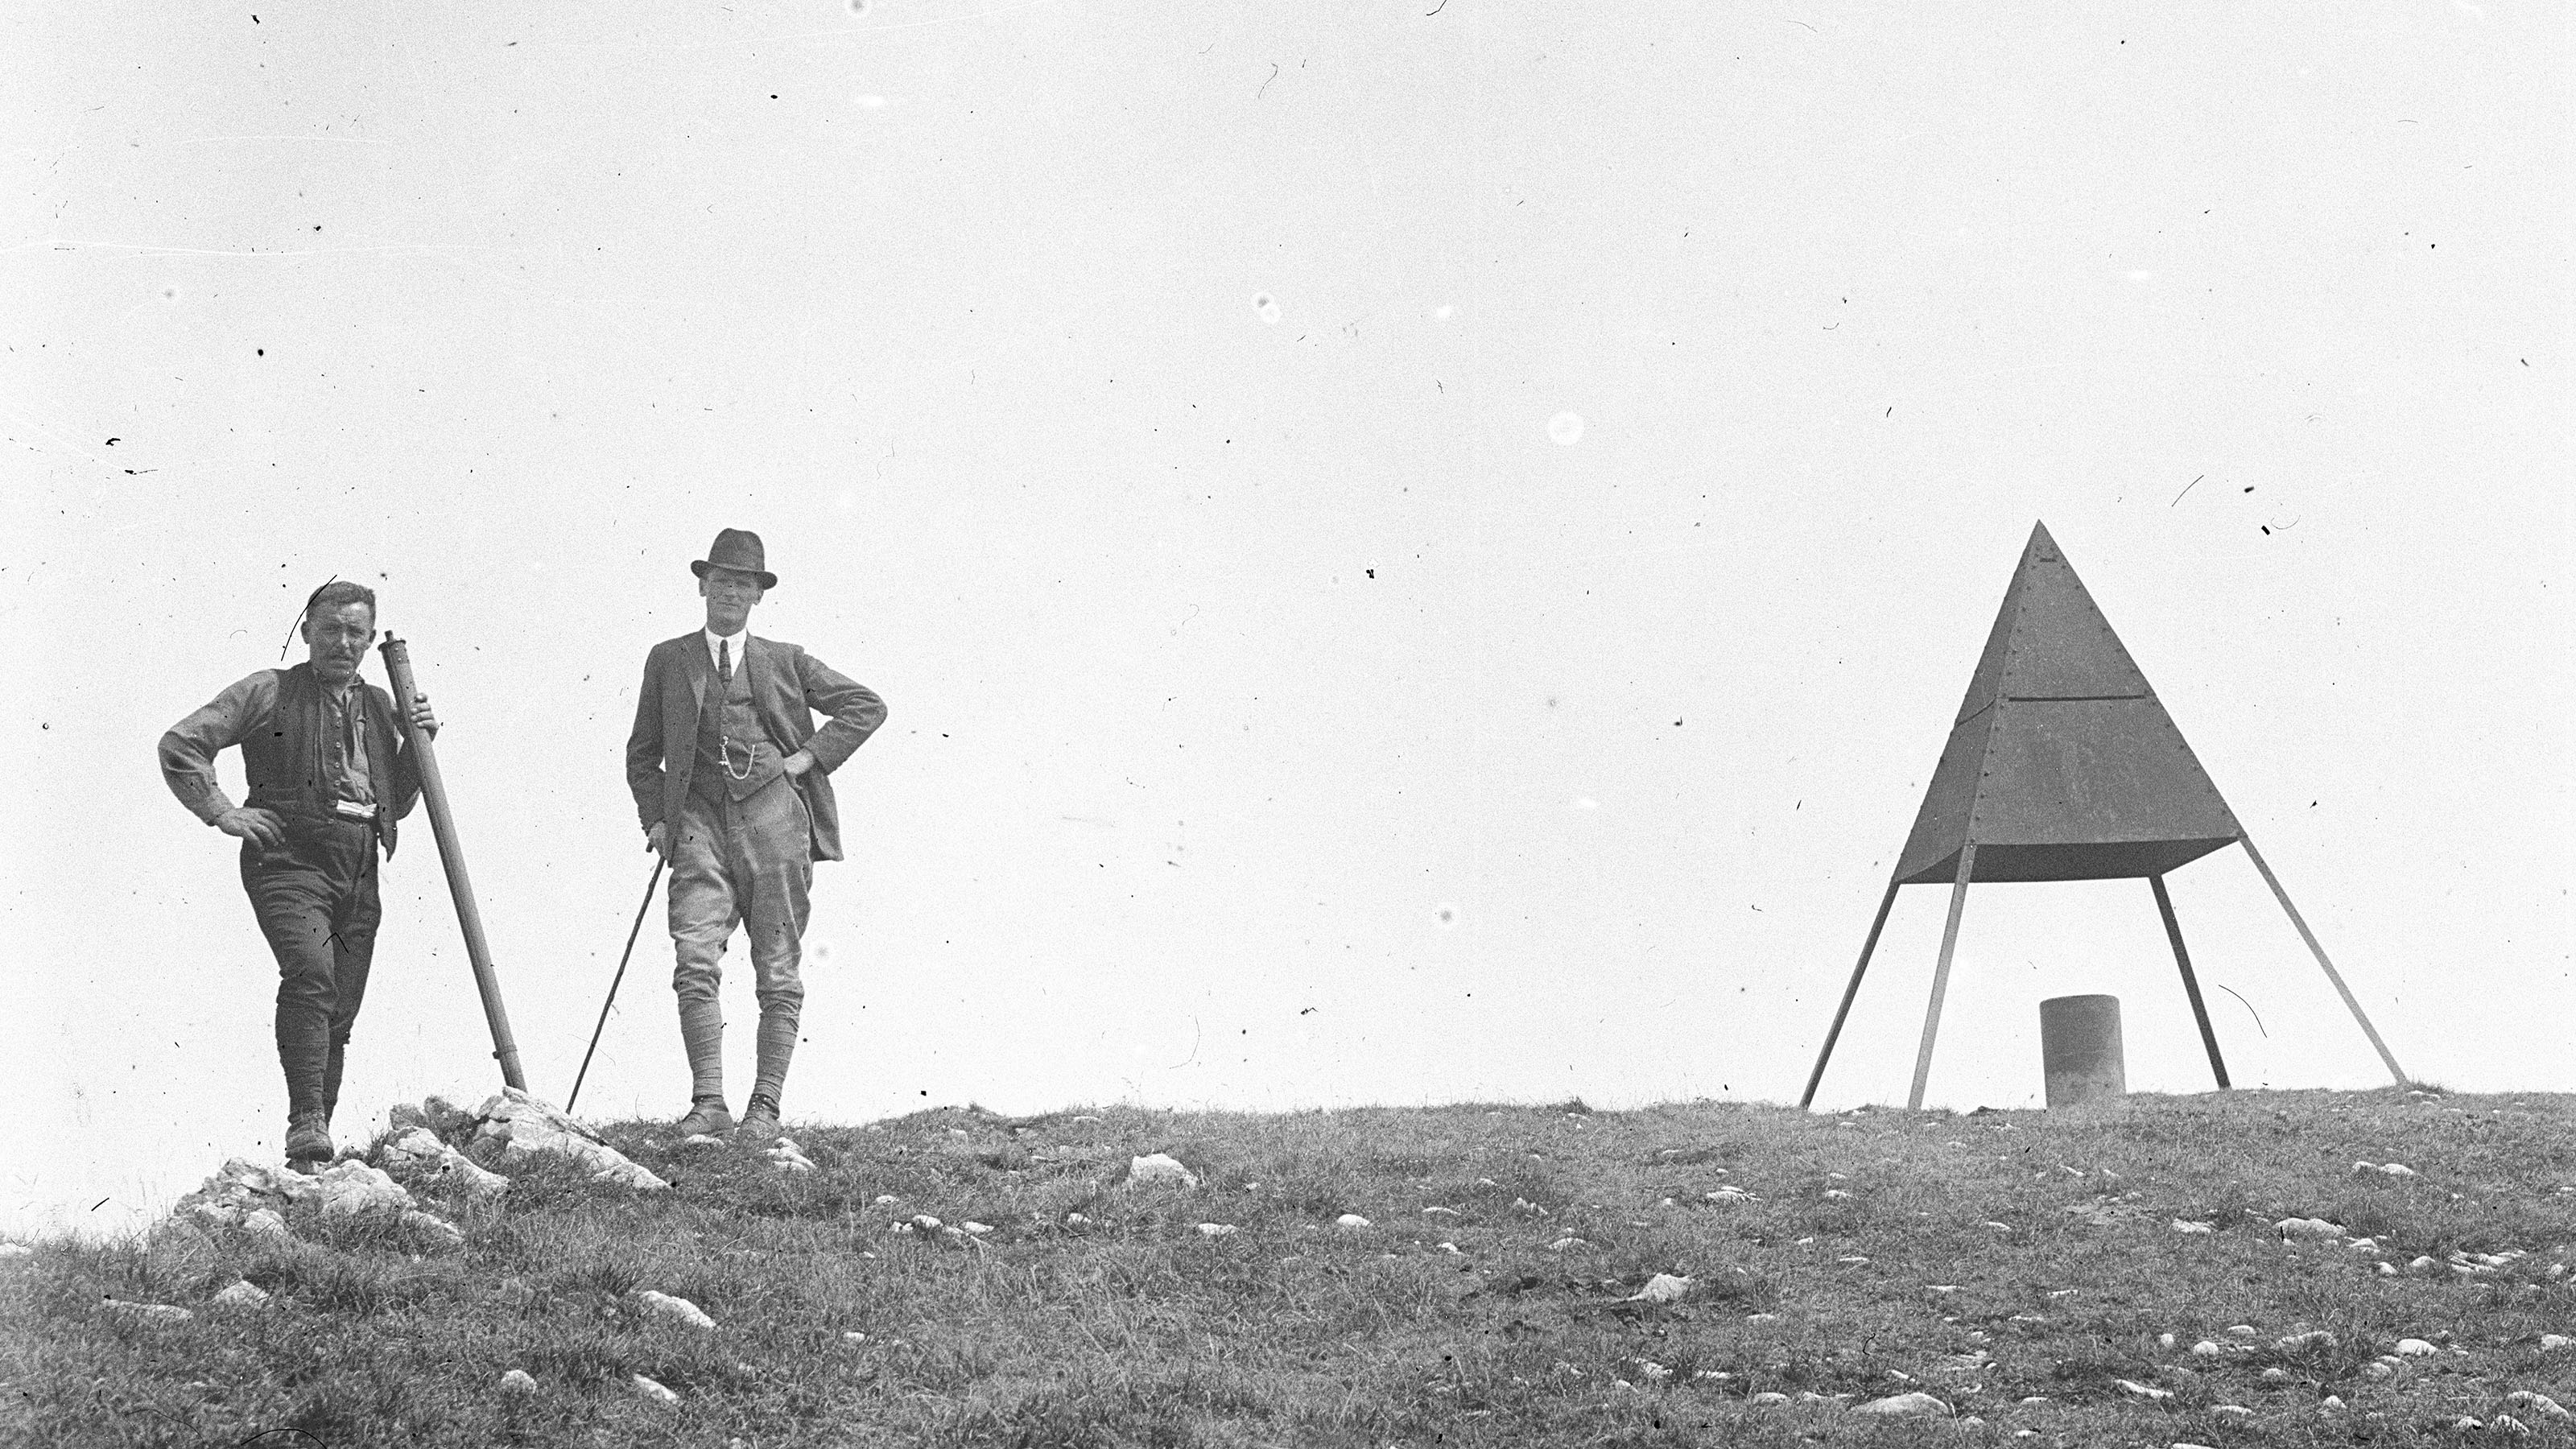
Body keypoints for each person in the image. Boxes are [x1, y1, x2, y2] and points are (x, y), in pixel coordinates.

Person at [159, 580, 438, 1168]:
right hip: (288, 859)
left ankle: (314, 1151)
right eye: (330, 629)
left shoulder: (381, 706)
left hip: (360, 864)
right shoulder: (268, 690)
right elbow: (183, 743)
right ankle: (305, 1123)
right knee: (312, 973)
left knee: (341, 1003)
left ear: (368, 640)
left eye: (355, 632)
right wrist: (221, 811)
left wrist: (418, 744)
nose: (342, 642)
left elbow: (398, 801)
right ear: (307, 630)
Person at [625, 529, 887, 1143]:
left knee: (777, 968)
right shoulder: (669, 658)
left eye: (743, 585)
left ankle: (764, 1111)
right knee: (694, 958)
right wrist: (658, 822)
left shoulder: (787, 660)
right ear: (702, 586)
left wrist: (807, 758)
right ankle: (708, 1104)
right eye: (721, 582)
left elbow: (865, 706)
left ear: (758, 596)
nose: (730, 595)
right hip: (697, 827)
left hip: (775, 826)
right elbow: (642, 754)